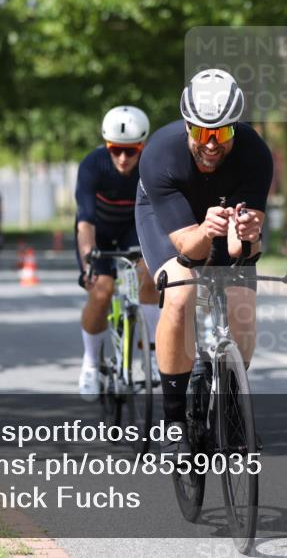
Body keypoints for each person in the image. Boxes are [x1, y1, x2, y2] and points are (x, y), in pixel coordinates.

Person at [135, 69, 272, 451]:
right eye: (201, 132)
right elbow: (189, 251)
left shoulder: (255, 154)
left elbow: (242, 254)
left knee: (242, 303)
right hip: (171, 222)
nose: (211, 144)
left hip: (223, 212)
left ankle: (231, 409)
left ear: (235, 128)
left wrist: (246, 237)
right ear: (187, 126)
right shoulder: (161, 155)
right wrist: (206, 230)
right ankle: (175, 420)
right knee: (180, 294)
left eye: (222, 133)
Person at [75, 105, 161, 401]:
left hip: (133, 229)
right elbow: (84, 220)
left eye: (131, 150)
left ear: (143, 145)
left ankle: (151, 353)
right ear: (106, 146)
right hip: (99, 231)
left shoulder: (153, 166)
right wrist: (88, 259)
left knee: (149, 278)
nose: (123, 158)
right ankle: (90, 363)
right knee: (102, 289)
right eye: (115, 150)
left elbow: (161, 214)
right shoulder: (92, 165)